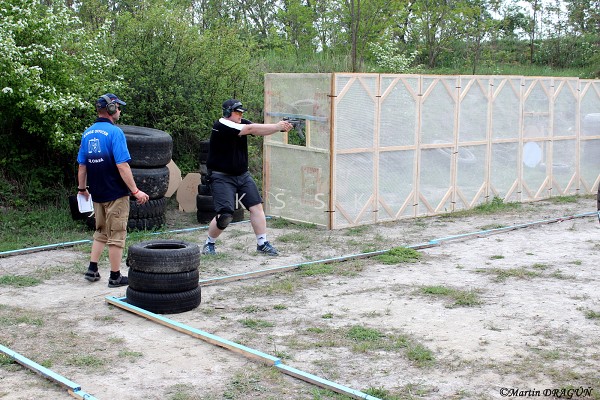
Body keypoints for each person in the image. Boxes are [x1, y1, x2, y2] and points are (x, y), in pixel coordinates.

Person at [202, 99, 293, 256]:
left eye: (241, 112)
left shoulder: (240, 123)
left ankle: (262, 243)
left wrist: (280, 128)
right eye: (237, 112)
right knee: (225, 215)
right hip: (222, 177)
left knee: (256, 207)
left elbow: (258, 130)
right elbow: (251, 128)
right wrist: (278, 126)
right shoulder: (222, 125)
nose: (240, 115)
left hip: (242, 175)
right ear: (227, 113)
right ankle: (209, 244)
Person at [77, 93, 150, 287]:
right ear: (110, 109)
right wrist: (135, 191)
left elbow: (82, 166)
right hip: (116, 193)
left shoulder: (87, 133)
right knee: (117, 236)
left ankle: (92, 269)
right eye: (118, 107)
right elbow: (122, 165)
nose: (119, 111)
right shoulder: (115, 133)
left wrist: (82, 189)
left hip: (97, 193)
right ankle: (115, 276)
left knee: (101, 231)